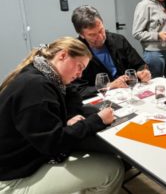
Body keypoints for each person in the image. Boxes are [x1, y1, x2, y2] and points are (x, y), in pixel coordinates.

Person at [0, 37, 124, 193]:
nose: (80, 75)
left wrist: (71, 117)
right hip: (13, 178)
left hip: (29, 157)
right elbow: (54, 145)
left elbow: (73, 95)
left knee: (99, 147)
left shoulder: (46, 75)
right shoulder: (36, 87)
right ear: (63, 55)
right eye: (79, 66)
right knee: (114, 169)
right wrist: (96, 120)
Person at [71, 5, 151, 99]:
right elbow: (78, 90)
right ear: (81, 35)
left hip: (127, 93)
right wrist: (110, 85)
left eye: (101, 30)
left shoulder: (119, 40)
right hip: (100, 99)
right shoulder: (75, 52)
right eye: (92, 35)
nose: (100, 37)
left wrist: (143, 72)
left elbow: (139, 65)